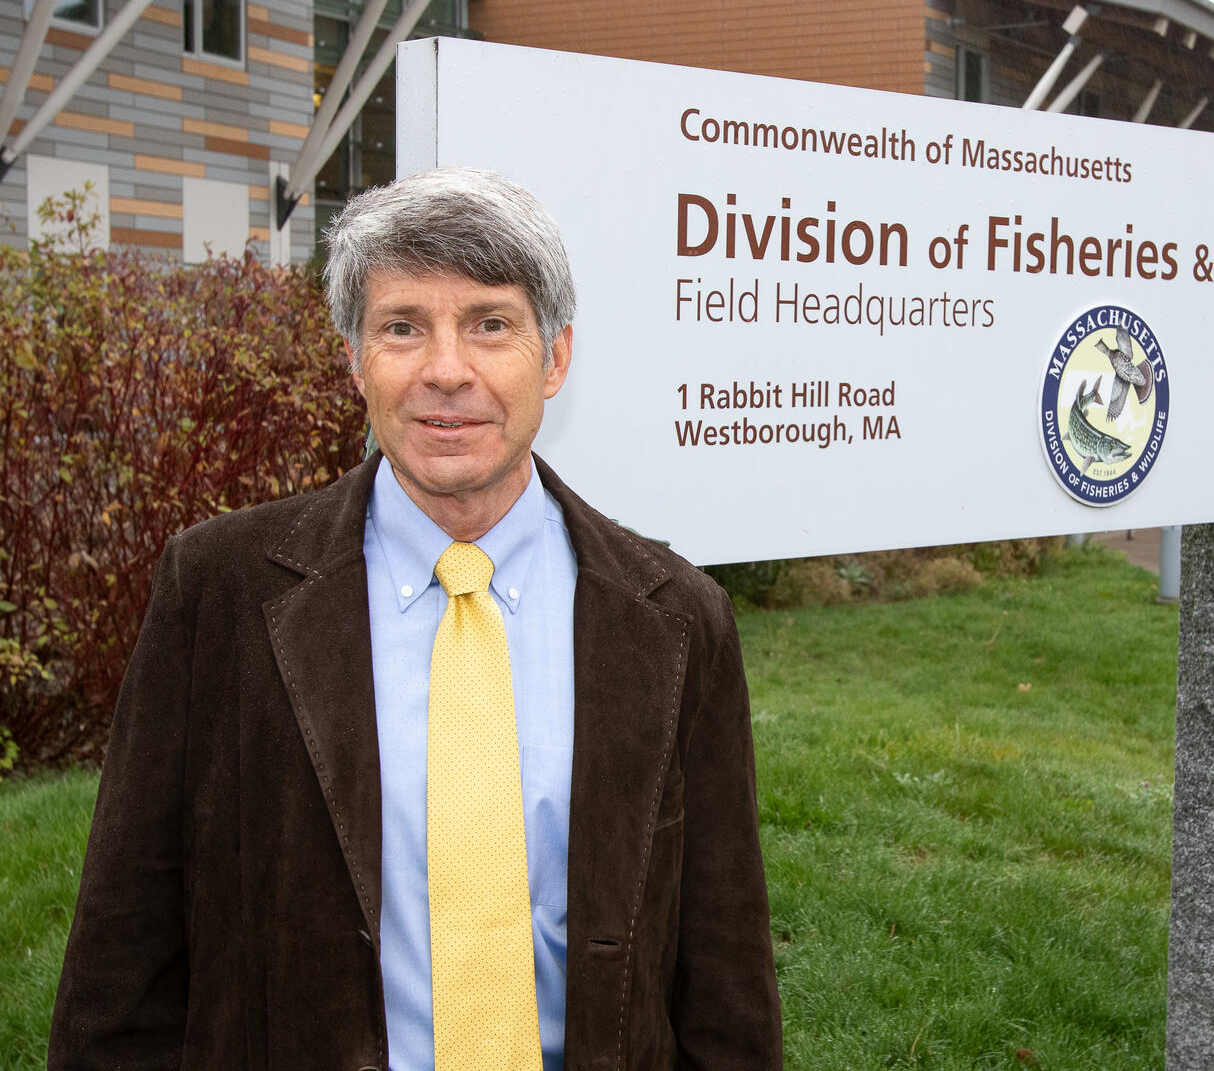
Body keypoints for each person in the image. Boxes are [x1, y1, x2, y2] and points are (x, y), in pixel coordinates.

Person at [48, 167, 782, 1071]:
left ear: (553, 358)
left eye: (489, 324)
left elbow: (725, 977)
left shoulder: (676, 619)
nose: (445, 369)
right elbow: (125, 944)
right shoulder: (218, 591)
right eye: (403, 326)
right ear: (355, 357)